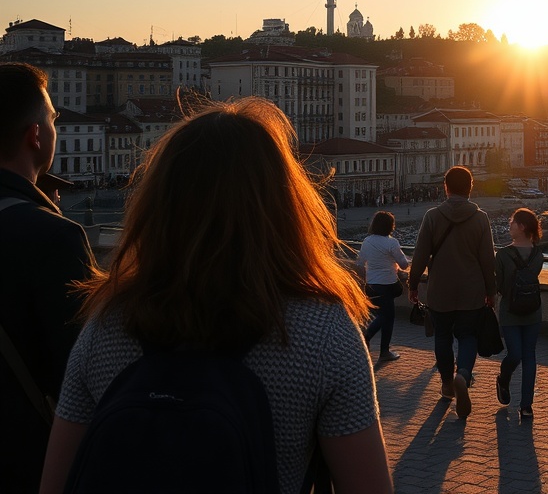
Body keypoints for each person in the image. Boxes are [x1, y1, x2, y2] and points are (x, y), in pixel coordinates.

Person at [39, 97, 393, 493]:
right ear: (283, 201)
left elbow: (56, 483)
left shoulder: (106, 326)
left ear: (158, 204)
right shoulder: (322, 334)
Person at [0, 63, 95, 492]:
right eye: (54, 118)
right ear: (35, 136)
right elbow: (80, 377)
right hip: (27, 463)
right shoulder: (55, 238)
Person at [408, 165, 495, 420]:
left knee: (442, 336)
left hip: (440, 290)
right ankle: (463, 375)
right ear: (471, 187)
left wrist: (413, 285)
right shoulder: (480, 218)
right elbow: (488, 260)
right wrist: (491, 291)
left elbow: (421, 254)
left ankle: (447, 384)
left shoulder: (432, 216)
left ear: (445, 187)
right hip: (471, 290)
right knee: (468, 336)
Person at [494, 208, 544, 419]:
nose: (509, 226)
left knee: (517, 354)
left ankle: (522, 399)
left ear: (522, 227)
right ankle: (525, 405)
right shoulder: (538, 255)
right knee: (527, 355)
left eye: (512, 222)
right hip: (533, 309)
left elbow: (499, 285)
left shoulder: (504, 254)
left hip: (510, 310)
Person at [356, 211, 411, 365]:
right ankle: (370, 340)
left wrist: (366, 279)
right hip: (387, 284)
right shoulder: (391, 243)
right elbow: (404, 265)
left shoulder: (367, 241)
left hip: (372, 285)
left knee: (384, 315)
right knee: (387, 317)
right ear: (390, 226)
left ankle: (383, 349)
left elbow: (359, 264)